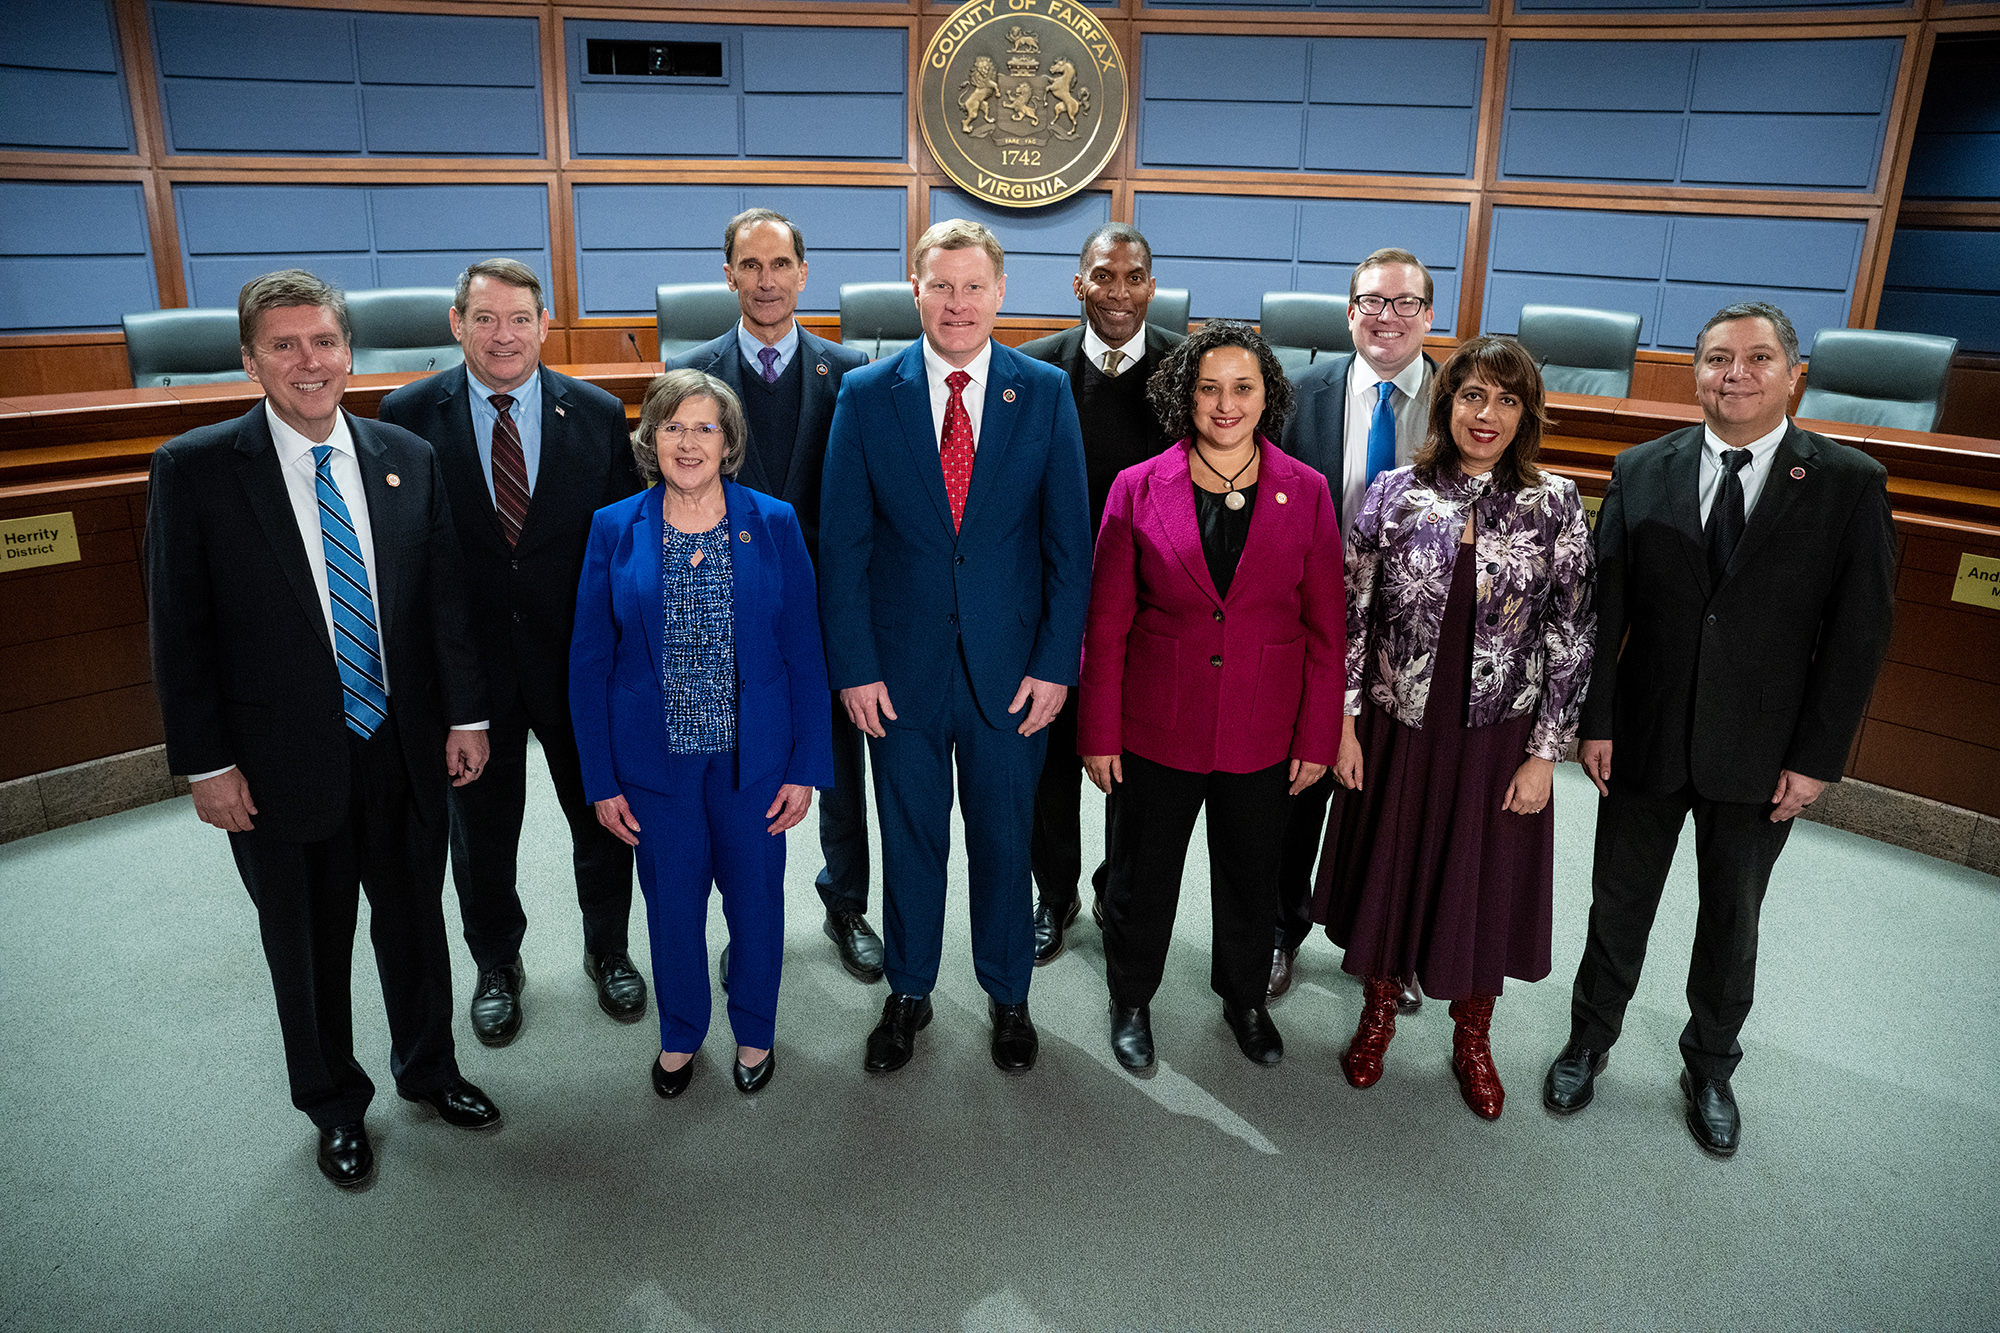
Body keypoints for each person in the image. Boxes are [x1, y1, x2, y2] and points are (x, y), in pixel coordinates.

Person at [146, 269, 500, 1190]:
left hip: (406, 743)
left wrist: (466, 713)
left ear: (351, 350)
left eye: (325, 342)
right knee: (306, 946)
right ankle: (334, 1105)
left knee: (416, 926)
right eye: (286, 344)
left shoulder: (403, 454)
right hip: (275, 763)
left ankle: (429, 1069)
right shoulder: (195, 469)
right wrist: (207, 765)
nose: (310, 362)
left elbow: (443, 604)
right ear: (250, 358)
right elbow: (179, 632)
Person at [1544, 301, 1896, 1156]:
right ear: (1694, 371)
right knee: (1617, 902)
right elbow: (1606, 609)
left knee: (1732, 916)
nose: (1734, 374)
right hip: (1644, 736)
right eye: (1715, 359)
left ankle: (1709, 1064)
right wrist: (1596, 721)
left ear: (1793, 373)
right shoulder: (1641, 467)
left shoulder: (1850, 483)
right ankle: (1589, 1040)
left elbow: (1857, 636)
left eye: (1756, 359)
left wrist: (1816, 761)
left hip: (1763, 752)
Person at [819, 219, 1092, 1075]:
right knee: (911, 838)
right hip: (899, 676)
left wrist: (1056, 664)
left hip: (1012, 674)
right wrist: (854, 666)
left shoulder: (1043, 391)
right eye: (942, 285)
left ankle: (1008, 995)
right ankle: (909, 990)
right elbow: (844, 548)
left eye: (974, 286)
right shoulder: (866, 395)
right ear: (915, 290)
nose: (958, 303)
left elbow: (1066, 545)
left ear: (1001, 292)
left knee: (1006, 839)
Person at [1318, 336, 1595, 1119]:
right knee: (1391, 866)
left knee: (1481, 880)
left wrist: (1546, 755)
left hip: (1497, 735)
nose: (1488, 414)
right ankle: (1378, 1012)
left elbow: (1572, 635)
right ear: (1448, 404)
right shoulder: (1394, 491)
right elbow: (1352, 614)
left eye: (1508, 400)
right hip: (1398, 721)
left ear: (1526, 416)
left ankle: (1471, 1035)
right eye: (1474, 395)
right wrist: (1342, 721)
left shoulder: (1558, 503)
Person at [378, 259, 646, 1047]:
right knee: (481, 829)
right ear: (457, 323)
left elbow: (618, 547)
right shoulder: (406, 413)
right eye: (486, 319)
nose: (504, 336)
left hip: (578, 663)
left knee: (603, 817)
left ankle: (609, 950)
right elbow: (409, 557)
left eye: (520, 318)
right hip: (468, 670)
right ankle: (497, 963)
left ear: (544, 323)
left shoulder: (595, 413)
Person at [1077, 320, 1343, 1071]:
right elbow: (1107, 622)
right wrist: (1097, 730)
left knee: (1252, 874)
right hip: (1156, 724)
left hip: (1265, 727)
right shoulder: (1137, 487)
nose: (1225, 403)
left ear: (1268, 396)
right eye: (1208, 387)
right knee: (1141, 873)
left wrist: (1317, 736)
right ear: (1183, 395)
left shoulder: (1309, 490)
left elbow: (1328, 632)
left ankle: (1244, 997)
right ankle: (1131, 996)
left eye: (1243, 387)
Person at [569, 369, 833, 1098]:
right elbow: (588, 663)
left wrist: (806, 764)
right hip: (656, 766)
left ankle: (754, 1029)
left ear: (729, 440)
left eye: (705, 427)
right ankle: (681, 1032)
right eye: (673, 426)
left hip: (754, 761)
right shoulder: (615, 526)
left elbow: (804, 651)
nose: (688, 441)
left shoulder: (772, 521)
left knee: (755, 905)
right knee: (674, 908)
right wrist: (601, 779)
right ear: (651, 438)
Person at [664, 208, 881, 985]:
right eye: (749, 266)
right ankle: (744, 921)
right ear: (728, 274)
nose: (765, 280)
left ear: (802, 273)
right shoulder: (689, 376)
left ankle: (846, 903)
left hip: (827, 613)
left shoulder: (852, 372)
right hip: (728, 619)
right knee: (737, 773)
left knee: (838, 767)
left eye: (779, 264)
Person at [1273, 246, 1441, 1005]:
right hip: (1310, 627)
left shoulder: (1461, 402)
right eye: (1372, 301)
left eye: (1406, 303)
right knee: (1296, 791)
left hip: (1419, 641)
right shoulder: (1295, 393)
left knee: (1397, 801)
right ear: (1349, 313)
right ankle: (1279, 933)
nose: (1388, 316)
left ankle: (1390, 950)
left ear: (1430, 316)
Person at [1015, 222, 1184, 966]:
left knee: (1132, 775)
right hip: (1052, 610)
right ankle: (1054, 897)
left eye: (1134, 277)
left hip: (1149, 618)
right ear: (1078, 284)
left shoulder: (1189, 371)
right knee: (1048, 768)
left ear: (1153, 285)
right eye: (1103, 276)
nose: (1119, 292)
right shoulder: (1030, 371)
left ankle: (1120, 893)